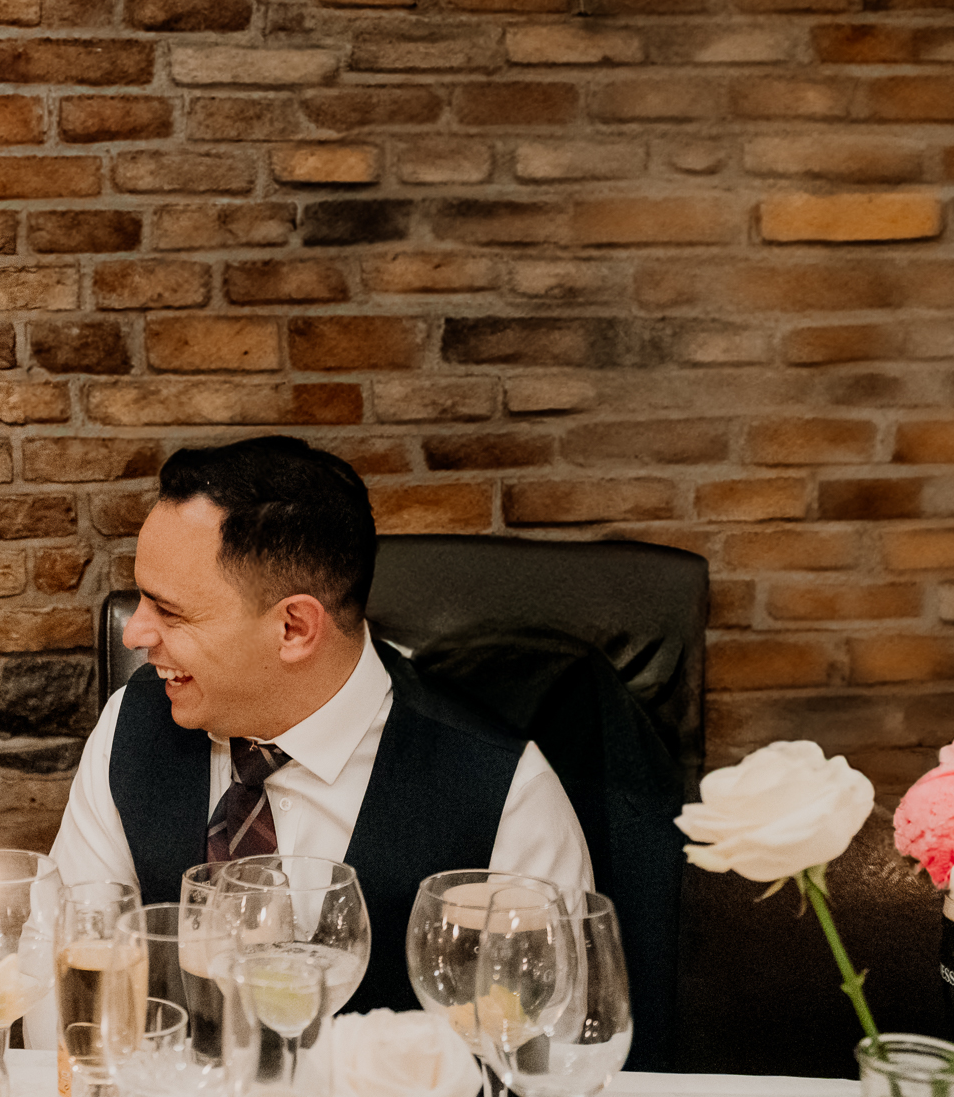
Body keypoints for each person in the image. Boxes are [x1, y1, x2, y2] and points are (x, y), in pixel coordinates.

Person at [49, 435, 592, 1014]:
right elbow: (62, 984)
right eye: (141, 599)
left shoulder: (505, 793)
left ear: (294, 628)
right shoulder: (129, 728)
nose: (135, 634)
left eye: (172, 611)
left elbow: (544, 1045)